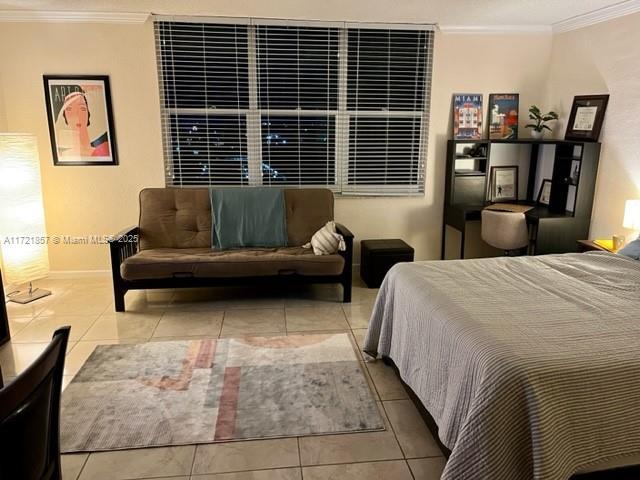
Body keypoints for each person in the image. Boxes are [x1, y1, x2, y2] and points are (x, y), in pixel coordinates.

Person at [57, 90, 110, 158]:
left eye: (82, 109)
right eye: (69, 109)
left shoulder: (103, 150)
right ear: (65, 116)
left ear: (88, 113)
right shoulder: (62, 156)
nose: (77, 114)